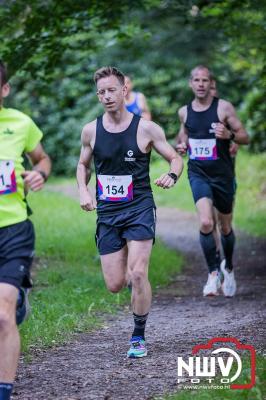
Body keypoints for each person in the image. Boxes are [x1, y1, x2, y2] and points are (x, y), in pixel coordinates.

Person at [77, 66, 183, 358]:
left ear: (124, 91)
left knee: (138, 273)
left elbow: (175, 158)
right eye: (101, 92)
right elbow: (83, 165)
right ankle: (136, 292)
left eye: (112, 90)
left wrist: (171, 177)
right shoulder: (91, 130)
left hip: (139, 209)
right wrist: (84, 190)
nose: (107, 96)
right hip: (108, 214)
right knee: (115, 284)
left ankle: (138, 336)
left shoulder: (146, 128)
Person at [0, 60, 51, 400]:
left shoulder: (20, 123)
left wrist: (40, 175)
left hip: (13, 229)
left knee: (2, 317)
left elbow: (42, 159)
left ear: (4, 90)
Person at [176, 65, 249, 298]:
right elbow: (183, 137)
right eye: (196, 80)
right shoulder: (184, 112)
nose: (200, 84)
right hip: (198, 172)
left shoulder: (224, 107)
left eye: (204, 80)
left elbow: (245, 137)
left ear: (210, 83)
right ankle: (212, 274)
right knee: (207, 222)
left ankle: (228, 268)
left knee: (225, 226)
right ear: (190, 83)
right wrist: (181, 145)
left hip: (223, 175)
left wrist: (230, 136)